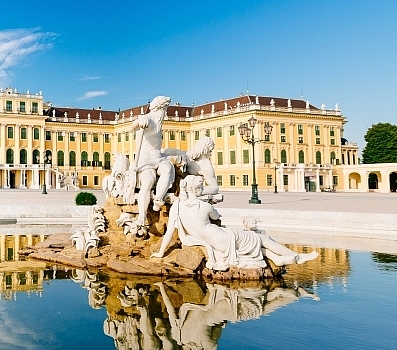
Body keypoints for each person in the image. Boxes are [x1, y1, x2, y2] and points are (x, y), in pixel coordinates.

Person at [152, 175, 318, 269]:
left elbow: (168, 234)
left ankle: (278, 259)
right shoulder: (204, 206)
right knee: (260, 239)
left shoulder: (177, 207)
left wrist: (160, 252)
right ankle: (295, 256)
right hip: (222, 238)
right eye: (202, 188)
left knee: (255, 245)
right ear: (198, 190)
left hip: (213, 240)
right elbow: (217, 217)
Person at [130, 96, 175, 234]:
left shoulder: (159, 122)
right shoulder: (148, 118)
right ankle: (142, 217)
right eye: (164, 108)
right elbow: (132, 126)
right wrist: (139, 120)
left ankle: (158, 200)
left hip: (158, 158)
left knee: (168, 169)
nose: (165, 112)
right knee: (148, 181)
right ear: (159, 108)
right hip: (145, 160)